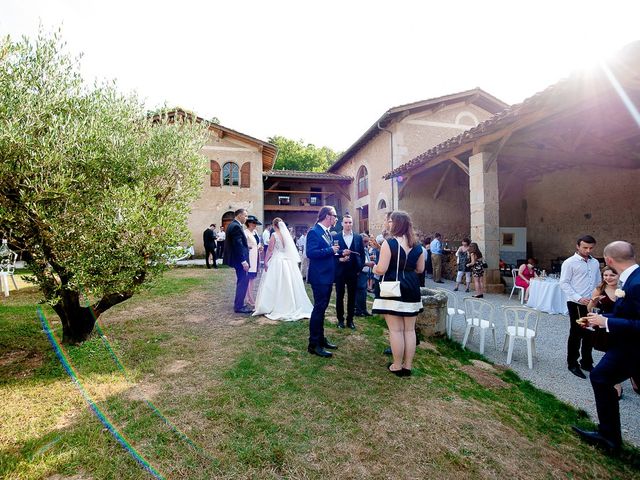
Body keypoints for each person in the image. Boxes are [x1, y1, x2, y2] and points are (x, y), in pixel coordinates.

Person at [573, 241, 640, 454]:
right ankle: (609, 435)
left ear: (608, 260)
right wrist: (599, 318)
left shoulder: (636, 283)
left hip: (632, 347)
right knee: (601, 377)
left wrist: (607, 323)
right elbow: (628, 315)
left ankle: (609, 436)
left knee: (600, 377)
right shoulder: (632, 278)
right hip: (626, 344)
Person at [372, 210, 425, 377]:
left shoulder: (390, 243)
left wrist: (373, 266)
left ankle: (396, 365)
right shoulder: (418, 246)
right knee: (409, 330)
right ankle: (407, 366)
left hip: (393, 288)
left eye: (391, 221)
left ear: (397, 224)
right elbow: (420, 269)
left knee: (395, 330)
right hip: (412, 287)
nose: (389, 224)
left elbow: (381, 269)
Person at [253, 218, 313, 321]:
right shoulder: (287, 236)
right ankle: (290, 303)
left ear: (274, 225)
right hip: (288, 262)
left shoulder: (274, 235)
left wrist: (266, 261)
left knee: (274, 283)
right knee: (288, 283)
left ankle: (272, 304)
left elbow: (270, 250)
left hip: (277, 260)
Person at [559, 234, 601, 379]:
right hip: (576, 303)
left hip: (591, 303)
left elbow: (598, 281)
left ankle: (586, 362)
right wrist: (579, 297)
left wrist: (597, 296)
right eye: (585, 247)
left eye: (591, 248)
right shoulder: (569, 262)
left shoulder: (595, 262)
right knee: (577, 333)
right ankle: (572, 363)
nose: (588, 250)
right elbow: (563, 283)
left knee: (590, 333)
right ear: (578, 246)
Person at [305, 206, 340, 357]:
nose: (336, 219)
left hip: (327, 276)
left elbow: (328, 254)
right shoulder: (314, 232)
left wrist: (339, 255)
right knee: (318, 310)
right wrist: (331, 250)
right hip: (319, 277)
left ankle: (321, 338)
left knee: (322, 310)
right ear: (327, 216)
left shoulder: (327, 233)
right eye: (335, 216)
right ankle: (313, 344)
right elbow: (311, 253)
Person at [587, 265, 622, 399]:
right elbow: (590, 310)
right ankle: (616, 382)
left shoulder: (624, 289)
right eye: (605, 275)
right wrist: (593, 302)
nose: (608, 278)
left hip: (621, 326)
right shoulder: (600, 289)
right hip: (604, 326)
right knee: (612, 354)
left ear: (618, 275)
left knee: (619, 354)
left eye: (612, 275)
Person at [334, 214, 365, 329]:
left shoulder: (358, 237)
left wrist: (359, 268)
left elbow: (362, 254)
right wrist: (340, 259)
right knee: (339, 296)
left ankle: (350, 320)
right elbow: (333, 255)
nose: (348, 225)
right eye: (346, 222)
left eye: (350, 222)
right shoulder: (336, 237)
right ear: (342, 224)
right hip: (340, 272)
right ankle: (340, 320)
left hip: (353, 272)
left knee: (352, 297)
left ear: (352, 223)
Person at [222, 209, 252, 314]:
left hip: (237, 258)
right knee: (243, 281)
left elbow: (238, 243)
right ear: (239, 215)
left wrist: (247, 246)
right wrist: (243, 261)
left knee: (242, 281)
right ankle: (239, 306)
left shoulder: (233, 225)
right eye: (245, 216)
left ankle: (238, 304)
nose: (247, 218)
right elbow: (237, 245)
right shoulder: (235, 226)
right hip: (239, 260)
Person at [243, 215, 262, 307]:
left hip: (256, 257)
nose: (255, 225)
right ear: (249, 223)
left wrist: (260, 247)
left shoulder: (255, 232)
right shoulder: (245, 233)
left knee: (253, 278)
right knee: (249, 278)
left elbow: (257, 243)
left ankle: (249, 297)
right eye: (254, 223)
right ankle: (250, 298)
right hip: (249, 257)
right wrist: (247, 247)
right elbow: (242, 245)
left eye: (255, 224)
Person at [355, 234, 374, 317]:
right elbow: (357, 261)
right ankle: (358, 310)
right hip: (360, 272)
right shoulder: (357, 248)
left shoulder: (365, 248)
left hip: (365, 272)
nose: (366, 243)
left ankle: (364, 309)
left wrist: (369, 258)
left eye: (367, 241)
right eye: (365, 241)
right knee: (359, 291)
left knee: (364, 292)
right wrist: (367, 263)